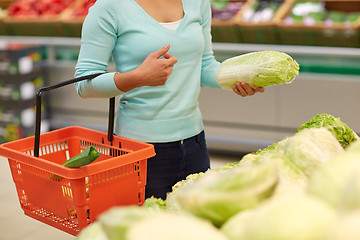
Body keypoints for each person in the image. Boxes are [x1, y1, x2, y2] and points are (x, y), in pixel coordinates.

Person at [75, 0, 264, 200]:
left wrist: (239, 77)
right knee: (147, 228)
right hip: (140, 148)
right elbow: (84, 84)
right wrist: (138, 77)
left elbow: (205, 65)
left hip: (195, 143)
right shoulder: (110, 8)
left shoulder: (198, 3)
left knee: (195, 226)